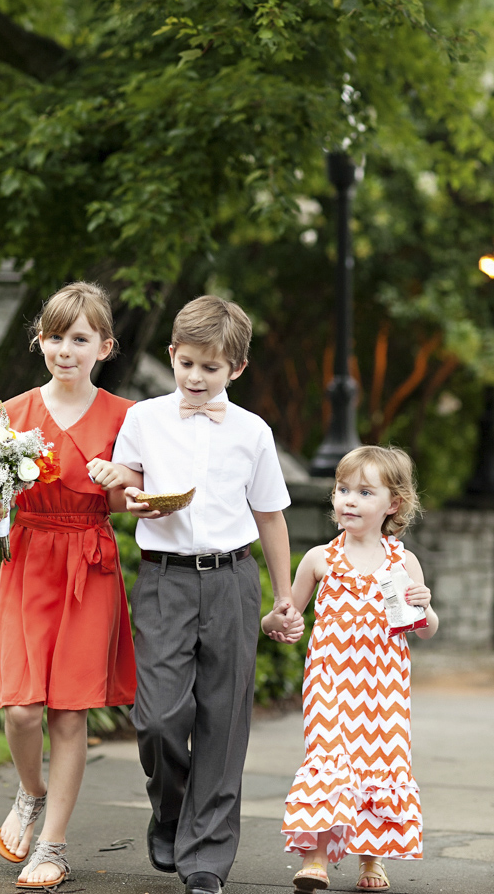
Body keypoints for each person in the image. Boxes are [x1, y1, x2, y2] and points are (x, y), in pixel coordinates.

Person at [87, 294, 305, 894]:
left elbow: (271, 518)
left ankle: (205, 857)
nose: (195, 378)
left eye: (211, 368)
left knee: (223, 718)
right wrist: (123, 488)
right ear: (173, 357)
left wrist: (283, 597)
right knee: (157, 717)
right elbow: (125, 484)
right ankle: (172, 811)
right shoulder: (144, 419)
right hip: (163, 577)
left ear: (235, 369)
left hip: (233, 579)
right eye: (187, 364)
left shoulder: (252, 433)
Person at [0, 281, 138, 890]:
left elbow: (134, 504)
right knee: (21, 710)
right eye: (54, 336)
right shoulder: (11, 414)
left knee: (70, 715)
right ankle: (30, 792)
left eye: (79, 338)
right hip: (27, 563)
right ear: (39, 341)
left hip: (89, 565)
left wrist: (119, 479)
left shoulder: (126, 417)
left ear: (104, 346)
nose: (64, 349)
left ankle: (53, 846)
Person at [262, 445, 439, 893]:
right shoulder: (321, 559)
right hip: (331, 683)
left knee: (377, 764)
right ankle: (315, 858)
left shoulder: (404, 562)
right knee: (327, 759)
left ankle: (371, 861)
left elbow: (424, 630)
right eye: (343, 490)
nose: (349, 500)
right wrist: (278, 623)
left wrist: (426, 607)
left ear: (392, 505)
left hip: (384, 688)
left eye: (364, 491)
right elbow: (285, 614)